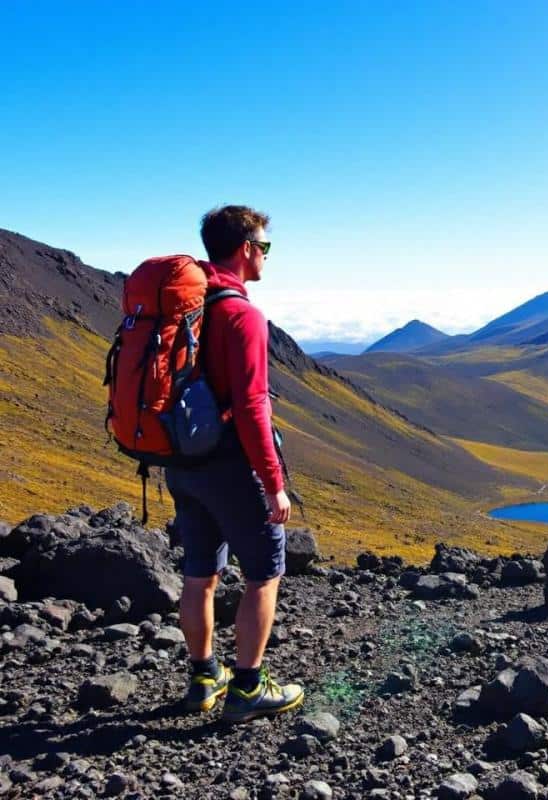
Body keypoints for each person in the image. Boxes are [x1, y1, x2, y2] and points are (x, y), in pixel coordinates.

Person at [167, 205, 304, 723]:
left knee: (200, 573)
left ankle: (204, 678)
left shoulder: (189, 307)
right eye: (264, 247)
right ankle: (248, 687)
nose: (266, 256)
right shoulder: (241, 313)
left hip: (182, 461)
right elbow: (251, 407)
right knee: (264, 572)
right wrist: (274, 485)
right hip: (229, 464)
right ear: (246, 248)